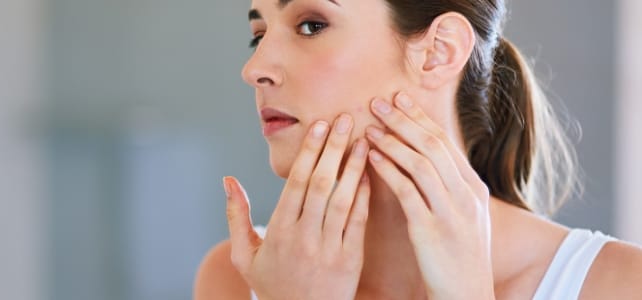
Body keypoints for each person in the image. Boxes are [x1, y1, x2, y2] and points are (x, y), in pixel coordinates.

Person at [193, 0, 642, 299]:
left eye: (311, 25)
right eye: (259, 33)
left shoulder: (618, 285)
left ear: (439, 52)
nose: (255, 69)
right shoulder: (237, 279)